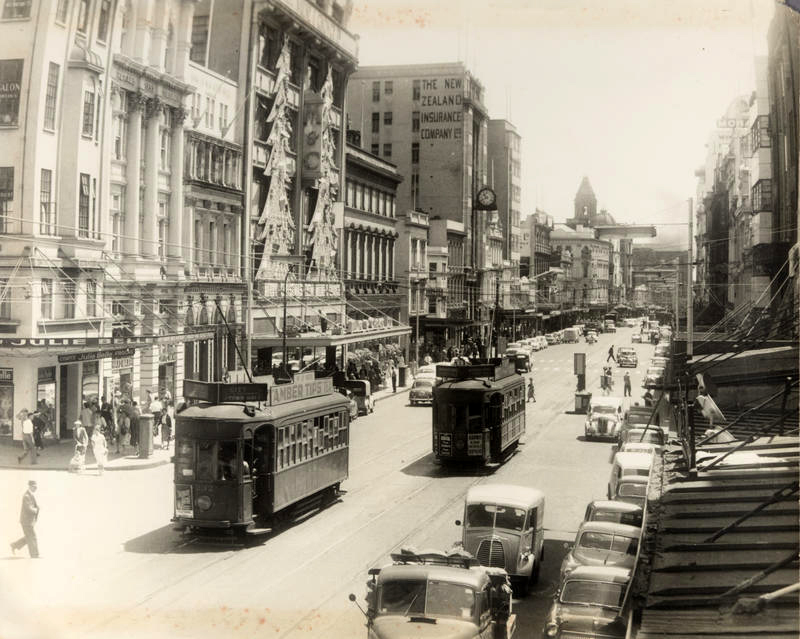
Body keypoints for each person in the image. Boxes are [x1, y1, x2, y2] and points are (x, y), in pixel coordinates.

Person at [10, 480, 39, 558]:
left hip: (29, 521)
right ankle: (34, 555)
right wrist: (36, 510)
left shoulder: (30, 495)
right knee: (32, 536)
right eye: (34, 487)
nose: (35, 488)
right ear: (30, 486)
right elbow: (28, 508)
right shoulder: (26, 496)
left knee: (29, 536)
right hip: (26, 521)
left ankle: (14, 545)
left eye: (36, 487)